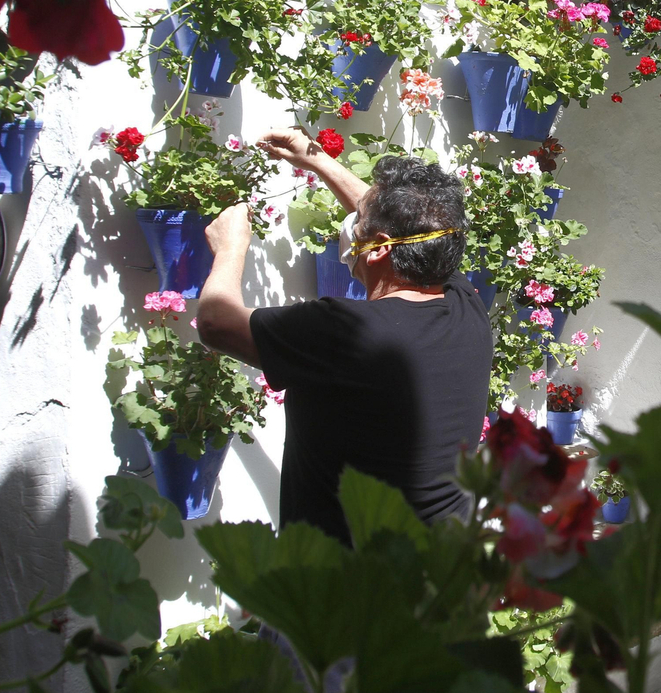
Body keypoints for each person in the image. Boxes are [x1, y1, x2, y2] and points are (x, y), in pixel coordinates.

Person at [195, 127, 493, 544]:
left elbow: (215, 323)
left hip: (346, 594)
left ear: (377, 248)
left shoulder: (343, 331)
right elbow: (402, 225)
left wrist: (231, 247)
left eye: (358, 227)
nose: (351, 230)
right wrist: (314, 158)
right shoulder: (465, 304)